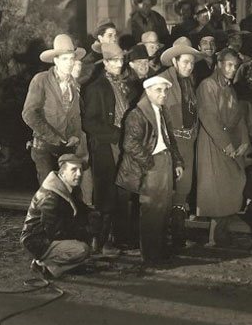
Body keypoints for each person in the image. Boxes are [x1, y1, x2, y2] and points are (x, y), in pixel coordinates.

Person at [116, 76, 184, 264]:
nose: (163, 94)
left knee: (163, 210)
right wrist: (150, 163)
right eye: (159, 90)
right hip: (152, 165)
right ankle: (151, 255)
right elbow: (129, 143)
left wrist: (177, 162)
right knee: (152, 211)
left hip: (165, 162)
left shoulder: (161, 111)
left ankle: (160, 250)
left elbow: (170, 139)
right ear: (148, 91)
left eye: (165, 90)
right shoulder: (138, 113)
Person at [196, 48, 250, 245]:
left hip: (229, 143)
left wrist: (244, 140)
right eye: (228, 64)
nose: (232, 69)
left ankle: (222, 232)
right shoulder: (207, 86)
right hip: (212, 143)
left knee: (232, 184)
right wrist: (225, 144)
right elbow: (208, 117)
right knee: (216, 189)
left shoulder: (230, 89)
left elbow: (238, 117)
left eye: (235, 66)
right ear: (218, 64)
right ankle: (214, 236)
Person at [82, 43, 131, 254]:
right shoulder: (96, 88)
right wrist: (115, 134)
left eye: (121, 60)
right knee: (106, 194)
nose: (119, 64)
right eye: (115, 61)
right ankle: (100, 242)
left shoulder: (123, 85)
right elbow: (89, 123)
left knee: (121, 192)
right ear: (106, 63)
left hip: (122, 145)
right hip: (105, 147)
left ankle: (117, 238)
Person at [22, 34, 86, 185]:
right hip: (44, 147)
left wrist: (75, 135)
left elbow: (75, 115)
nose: (69, 63)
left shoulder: (74, 85)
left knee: (67, 190)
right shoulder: (41, 80)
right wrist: (54, 137)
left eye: (72, 59)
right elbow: (29, 114)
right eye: (64, 59)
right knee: (50, 190)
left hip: (66, 147)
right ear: (56, 61)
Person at [21, 154, 93, 279]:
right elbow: (53, 230)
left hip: (46, 238)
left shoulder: (66, 187)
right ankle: (47, 267)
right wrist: (81, 234)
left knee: (84, 242)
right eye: (74, 170)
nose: (79, 174)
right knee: (82, 250)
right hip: (37, 241)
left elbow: (80, 211)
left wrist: (92, 217)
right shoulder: (51, 196)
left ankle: (52, 264)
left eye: (81, 170)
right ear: (63, 172)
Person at [160, 37, 200, 249]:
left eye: (192, 63)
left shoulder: (190, 82)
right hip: (169, 144)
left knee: (182, 190)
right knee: (167, 189)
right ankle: (162, 236)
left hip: (187, 143)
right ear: (174, 61)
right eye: (185, 62)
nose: (189, 66)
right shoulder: (162, 81)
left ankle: (178, 234)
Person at [78, 20, 118, 85]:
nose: (114, 39)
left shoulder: (111, 55)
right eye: (110, 35)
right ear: (100, 38)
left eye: (115, 35)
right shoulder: (92, 59)